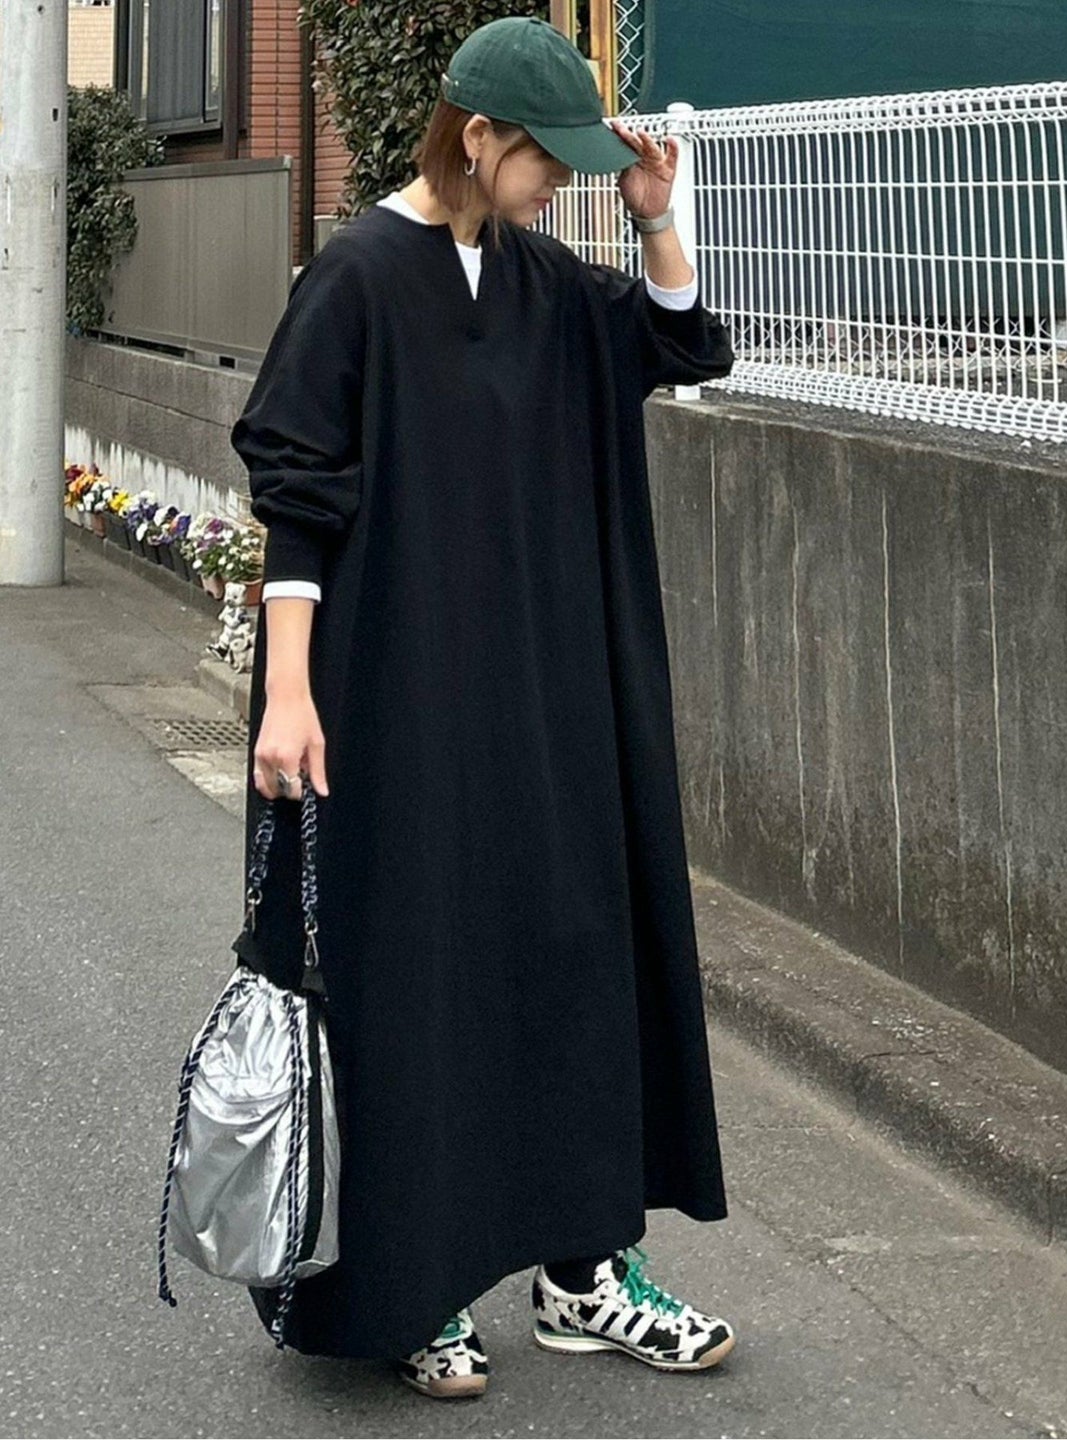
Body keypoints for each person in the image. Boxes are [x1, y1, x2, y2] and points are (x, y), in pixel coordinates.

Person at [230, 14, 736, 1400]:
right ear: (477, 137)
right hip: (389, 697)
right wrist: (288, 696)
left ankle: (583, 1274)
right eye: (546, 160)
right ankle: (412, 1286)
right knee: (413, 973)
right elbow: (297, 494)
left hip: (543, 695)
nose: (560, 182)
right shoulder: (356, 275)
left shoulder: (540, 277)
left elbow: (683, 347)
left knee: (567, 956)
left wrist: (657, 218)